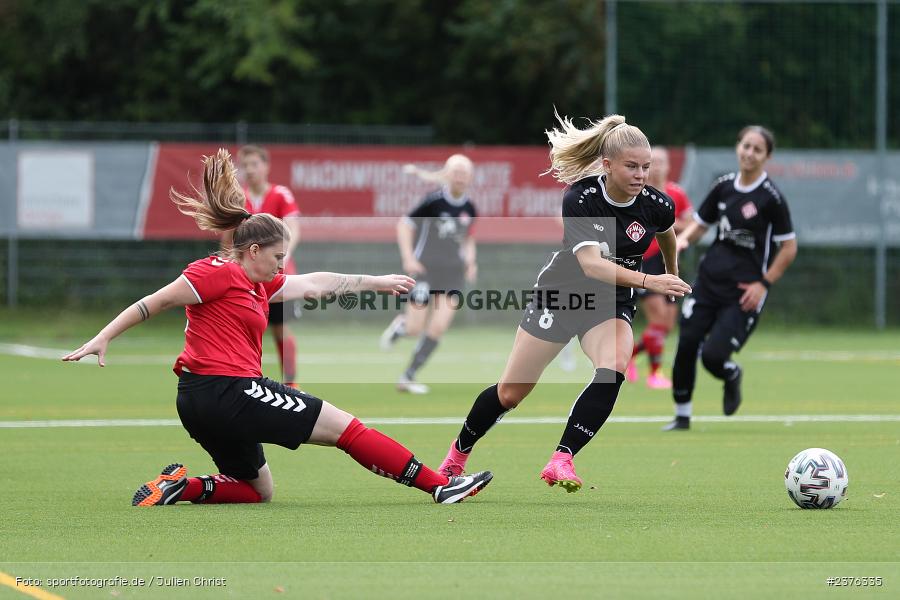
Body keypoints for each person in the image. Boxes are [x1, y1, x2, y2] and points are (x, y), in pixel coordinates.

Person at [62, 149, 493, 506]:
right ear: (251, 251)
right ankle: (440, 485)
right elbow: (153, 303)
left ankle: (181, 486)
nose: (281, 264)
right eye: (276, 256)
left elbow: (317, 283)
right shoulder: (215, 272)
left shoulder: (258, 282)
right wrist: (102, 337)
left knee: (257, 491)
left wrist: (376, 282)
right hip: (228, 391)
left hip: (198, 402)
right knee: (346, 428)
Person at [436, 114, 691, 491]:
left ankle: (562, 458)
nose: (641, 175)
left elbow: (667, 233)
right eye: (632, 166)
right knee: (510, 392)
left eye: (646, 167)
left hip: (610, 302)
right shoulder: (581, 198)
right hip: (563, 295)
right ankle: (455, 458)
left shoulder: (655, 203)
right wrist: (650, 280)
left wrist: (672, 272)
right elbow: (591, 265)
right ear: (607, 165)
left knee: (614, 366)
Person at [663, 126, 797, 431]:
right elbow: (700, 224)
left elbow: (789, 248)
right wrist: (682, 241)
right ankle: (682, 415)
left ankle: (730, 374)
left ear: (767, 156)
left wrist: (763, 284)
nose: (749, 153)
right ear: (738, 147)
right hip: (708, 284)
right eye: (745, 146)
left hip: (743, 293)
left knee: (712, 356)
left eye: (757, 149)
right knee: (687, 344)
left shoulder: (771, 198)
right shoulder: (723, 186)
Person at [379, 154, 478, 394]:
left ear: (470, 178)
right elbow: (404, 224)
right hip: (426, 271)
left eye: (464, 173)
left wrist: (471, 261)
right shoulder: (433, 202)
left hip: (452, 274)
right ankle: (401, 326)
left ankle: (408, 376)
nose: (460, 177)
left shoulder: (470, 208)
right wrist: (408, 258)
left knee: (438, 327)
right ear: (447, 174)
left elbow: (467, 239)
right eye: (456, 172)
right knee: (415, 329)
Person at [625, 147, 694, 389]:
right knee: (658, 319)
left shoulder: (676, 193)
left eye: (662, 162)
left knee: (667, 324)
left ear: (668, 166)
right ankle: (655, 374)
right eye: (653, 163)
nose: (658, 167)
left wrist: (668, 224)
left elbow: (690, 223)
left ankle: (628, 357)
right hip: (646, 262)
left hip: (669, 261)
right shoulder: (637, 194)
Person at [238, 145, 302, 388]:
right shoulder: (240, 198)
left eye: (255, 164)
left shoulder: (280, 194)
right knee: (246, 328)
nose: (250, 170)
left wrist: (284, 255)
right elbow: (231, 235)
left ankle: (291, 384)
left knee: (279, 328)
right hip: (248, 276)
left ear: (266, 166)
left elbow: (294, 228)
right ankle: (247, 380)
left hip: (277, 273)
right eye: (245, 166)